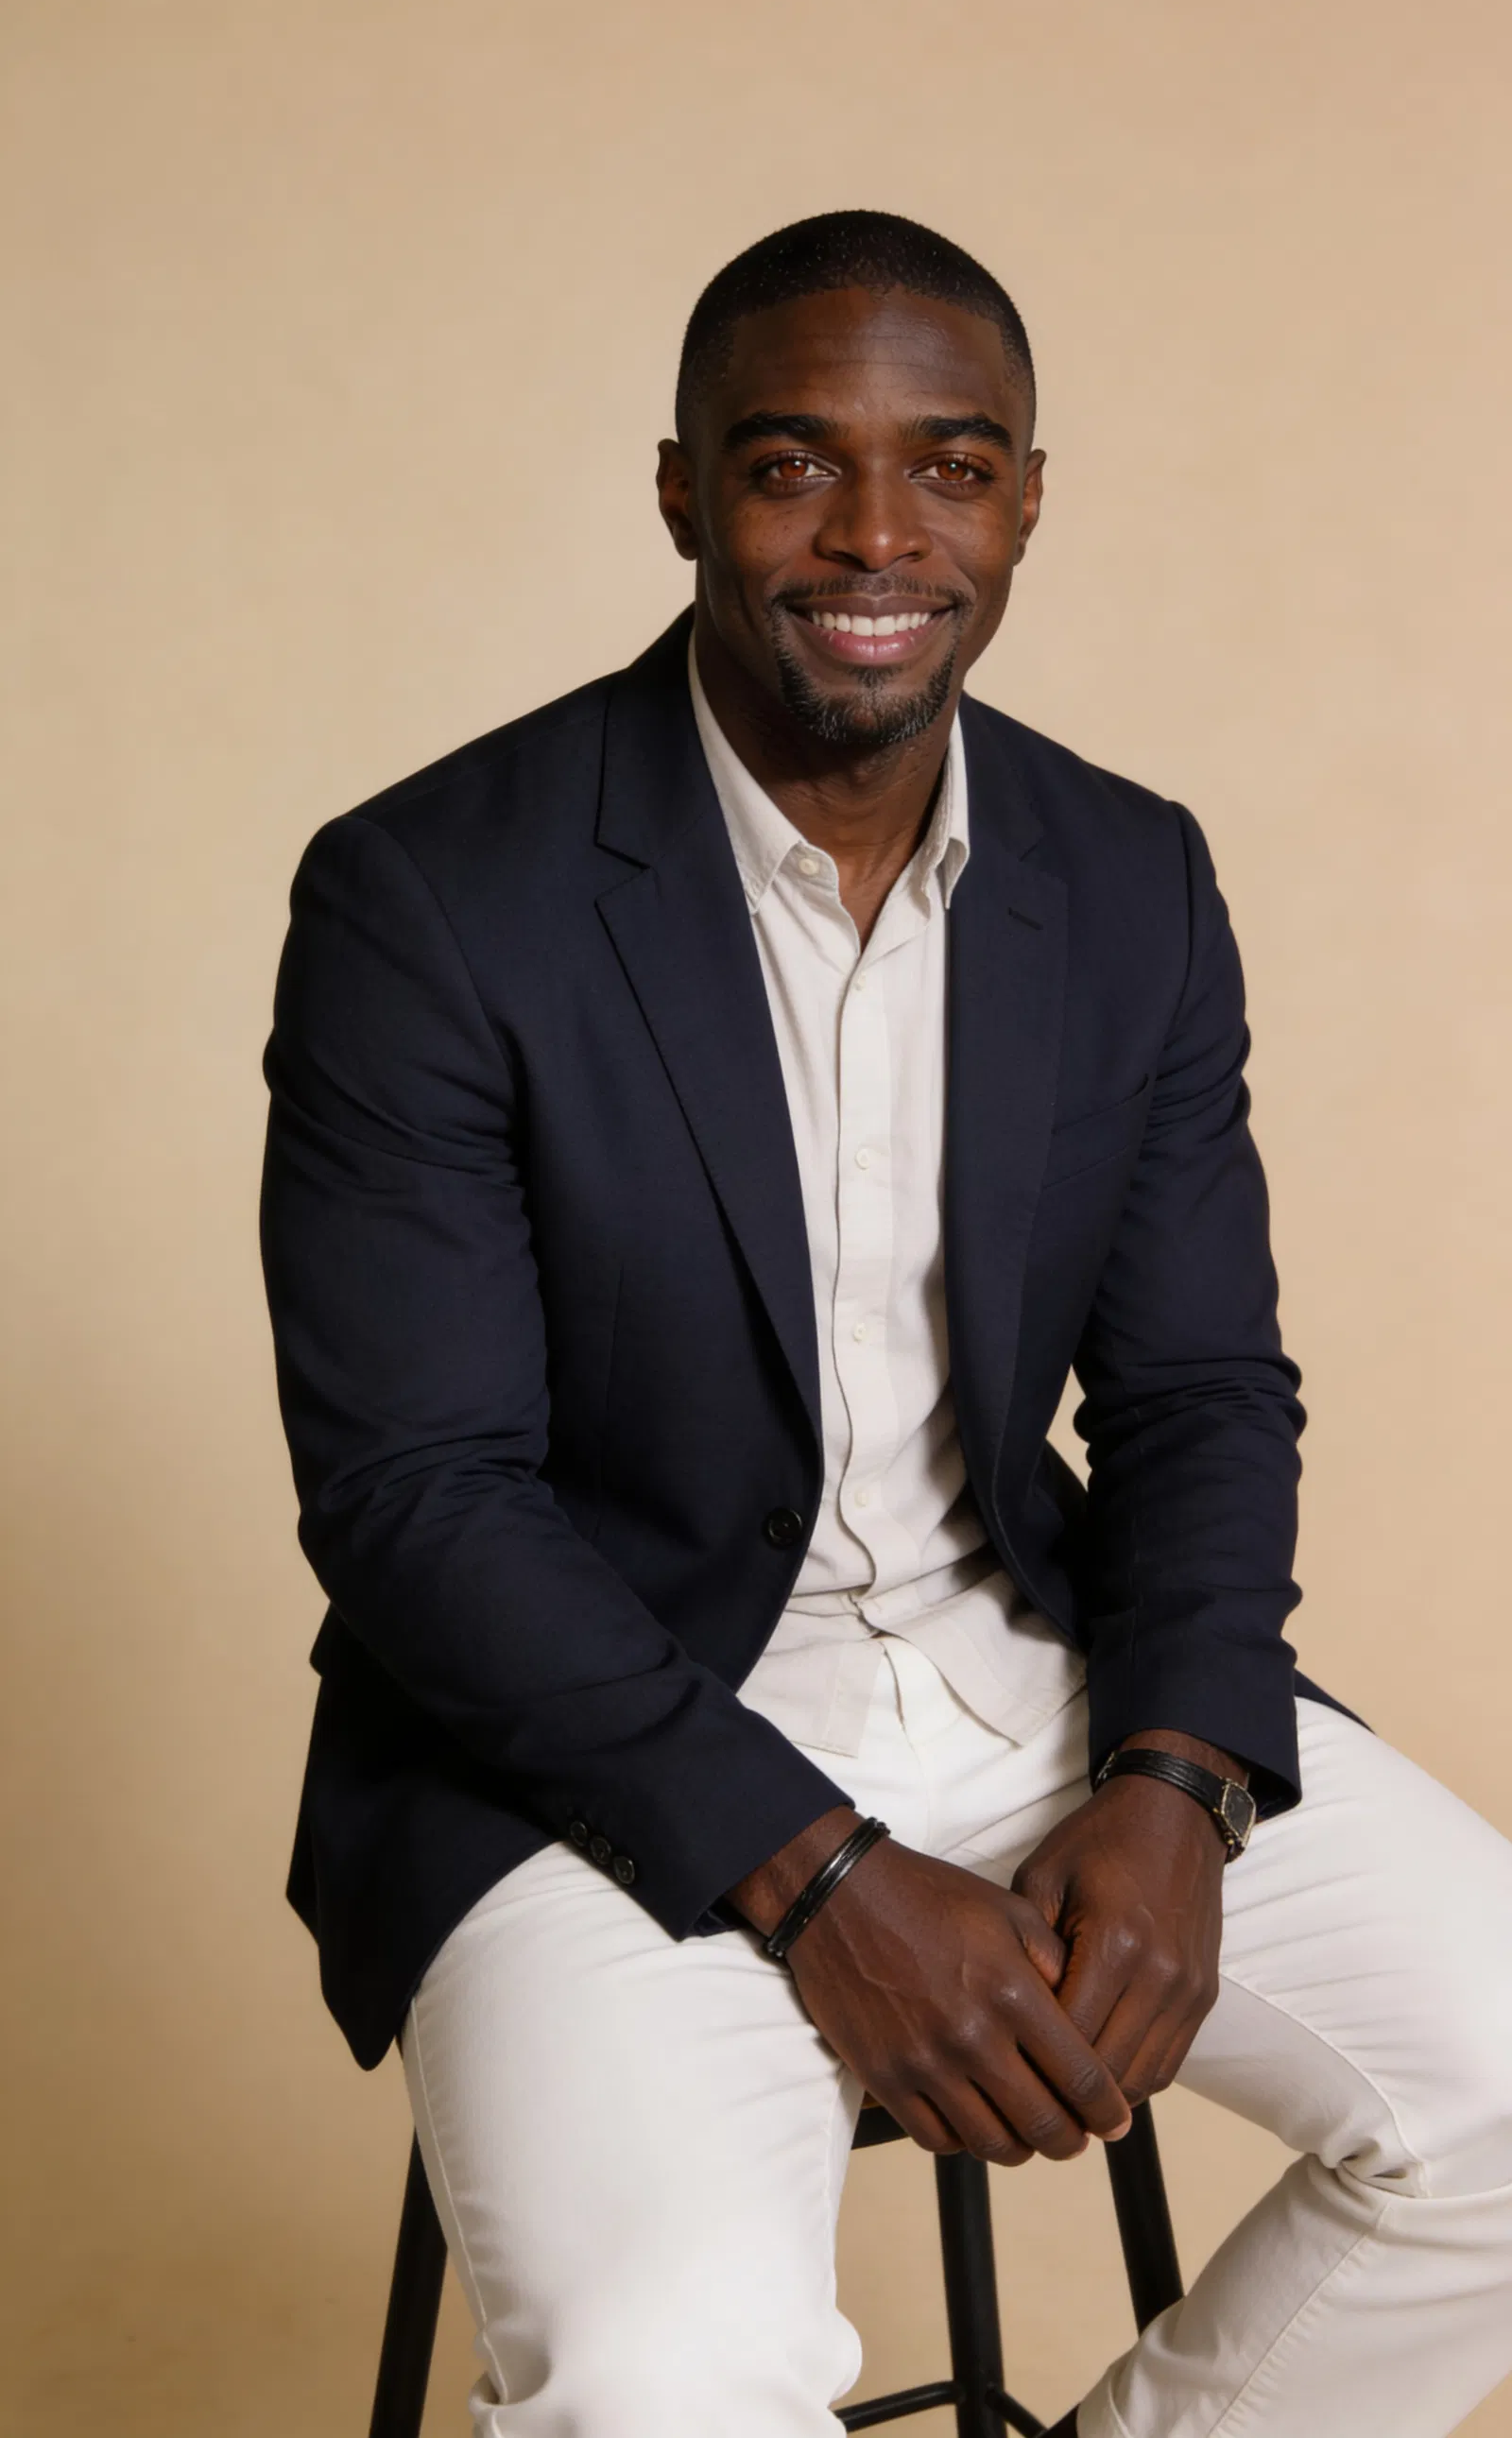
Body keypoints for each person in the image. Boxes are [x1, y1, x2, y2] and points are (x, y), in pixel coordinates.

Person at [260, 211, 1512, 2438]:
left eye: (946, 467)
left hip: (1026, 1673)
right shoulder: (432, 893)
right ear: (677, 495)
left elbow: (1199, 1391)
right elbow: (418, 1504)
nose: (872, 535)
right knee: (662, 2376)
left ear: (1028, 496)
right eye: (787, 466)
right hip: (588, 1747)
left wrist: (1179, 1778)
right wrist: (817, 1870)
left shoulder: (1123, 876)